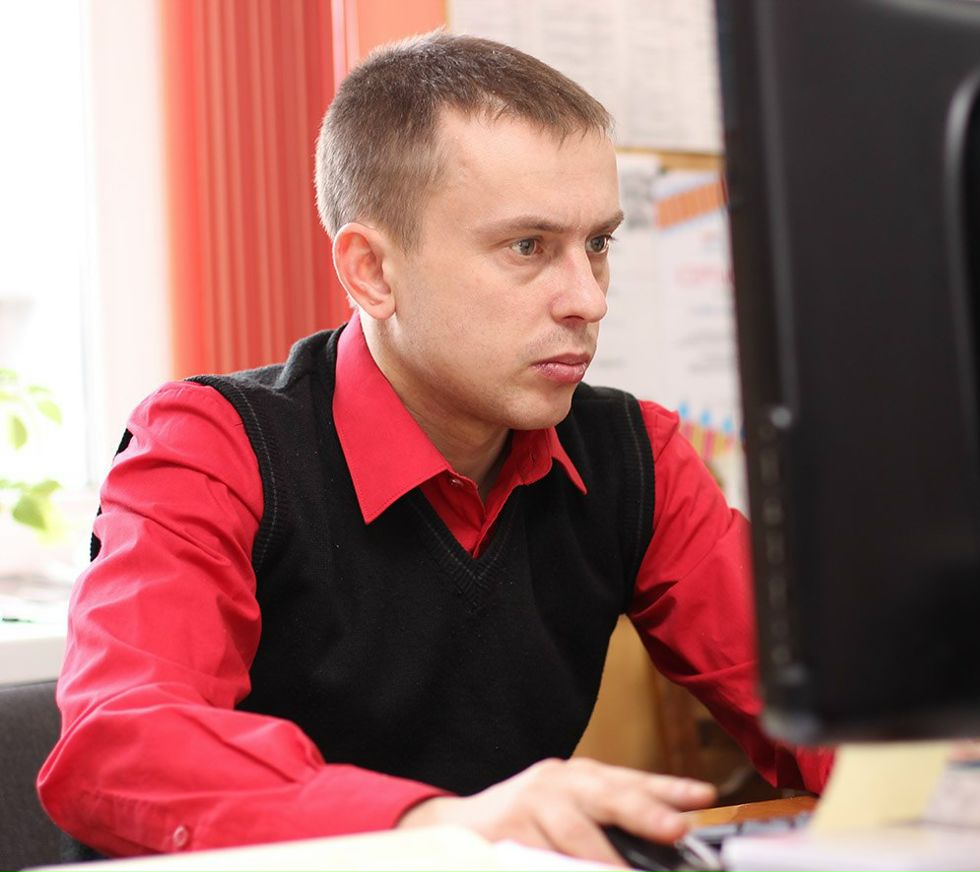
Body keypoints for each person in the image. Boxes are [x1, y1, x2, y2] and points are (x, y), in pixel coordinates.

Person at [37, 31, 830, 865]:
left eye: (598, 243)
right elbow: (119, 745)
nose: (588, 299)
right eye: (528, 247)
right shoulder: (211, 446)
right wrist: (432, 827)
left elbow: (826, 700)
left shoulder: (637, 457)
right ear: (372, 272)